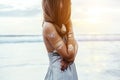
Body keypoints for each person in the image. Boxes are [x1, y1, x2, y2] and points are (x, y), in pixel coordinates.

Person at [42, 0, 78, 80]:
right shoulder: (48, 26)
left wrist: (68, 61)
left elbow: (76, 45)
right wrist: (70, 30)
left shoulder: (64, 24)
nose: (66, 6)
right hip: (59, 73)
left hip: (70, 71)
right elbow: (69, 54)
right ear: (51, 5)